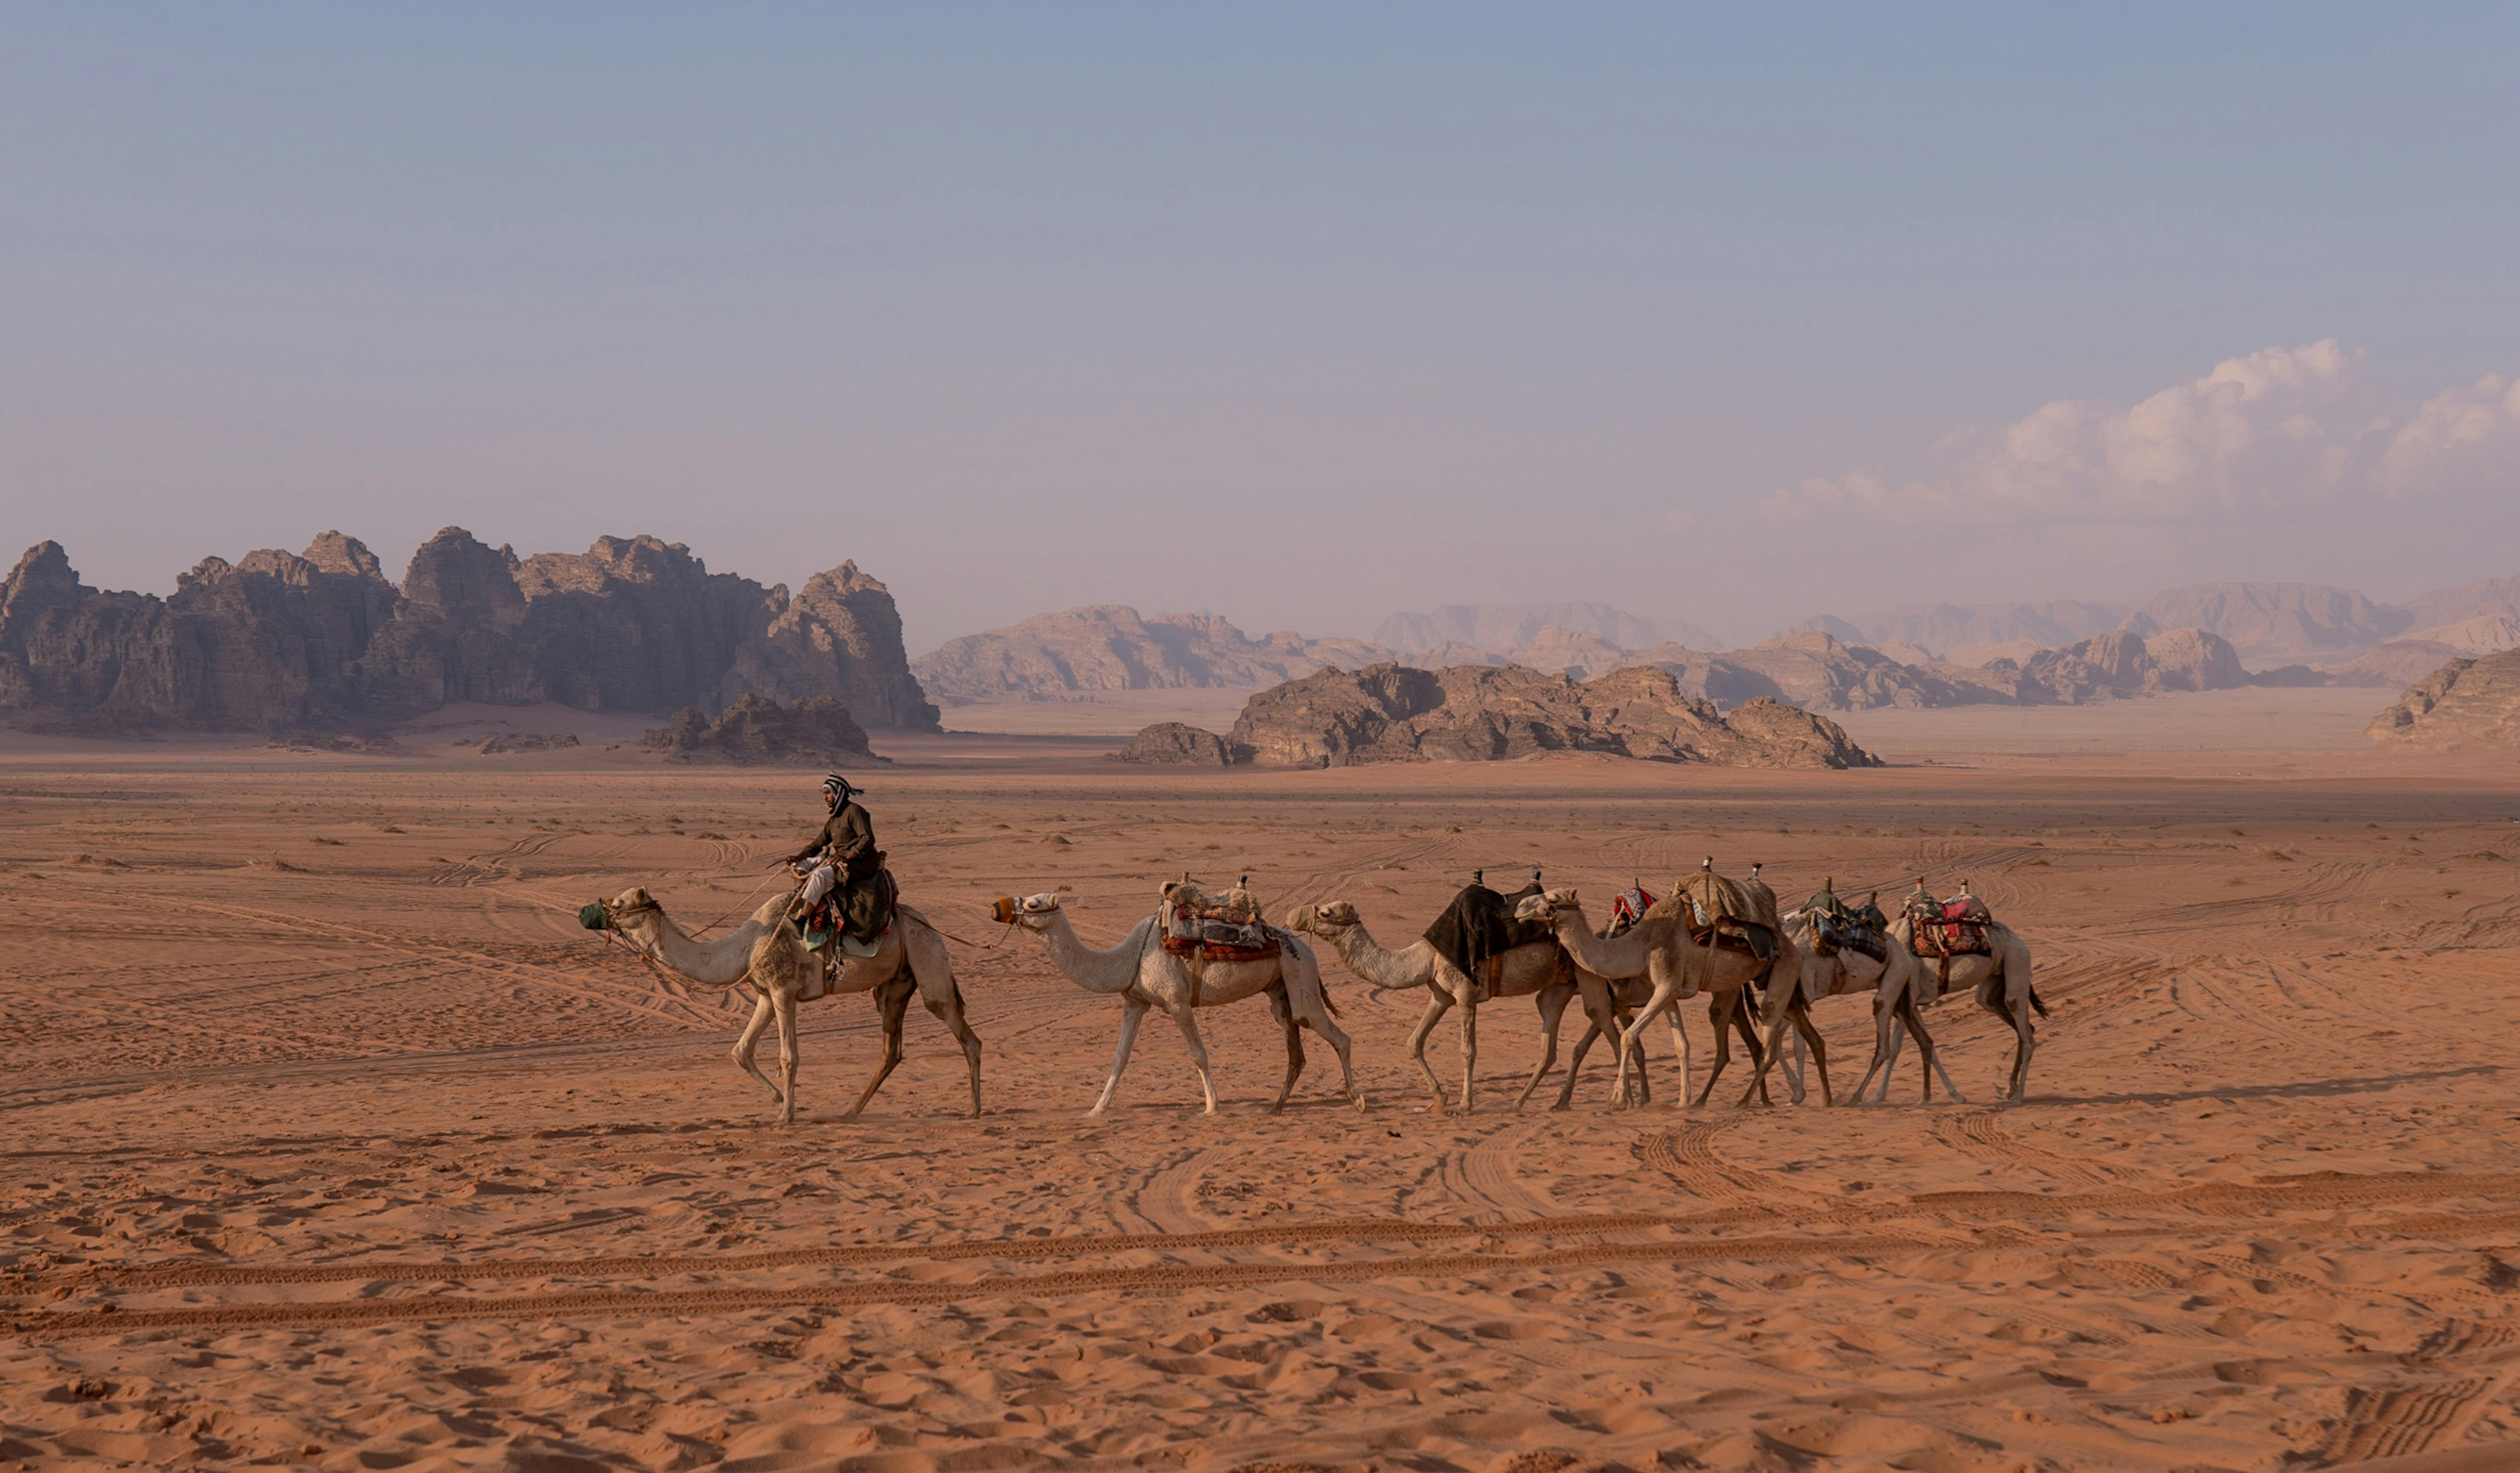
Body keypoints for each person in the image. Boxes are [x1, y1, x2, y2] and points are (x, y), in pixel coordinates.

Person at [782, 773, 879, 932]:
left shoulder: (855, 811)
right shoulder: (834, 819)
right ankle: (802, 896)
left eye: (828, 793)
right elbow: (817, 845)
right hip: (841, 859)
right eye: (824, 794)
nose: (826, 798)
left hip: (861, 862)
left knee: (819, 876)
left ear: (838, 793)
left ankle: (802, 920)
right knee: (801, 865)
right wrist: (798, 857)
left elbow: (868, 839)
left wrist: (847, 855)